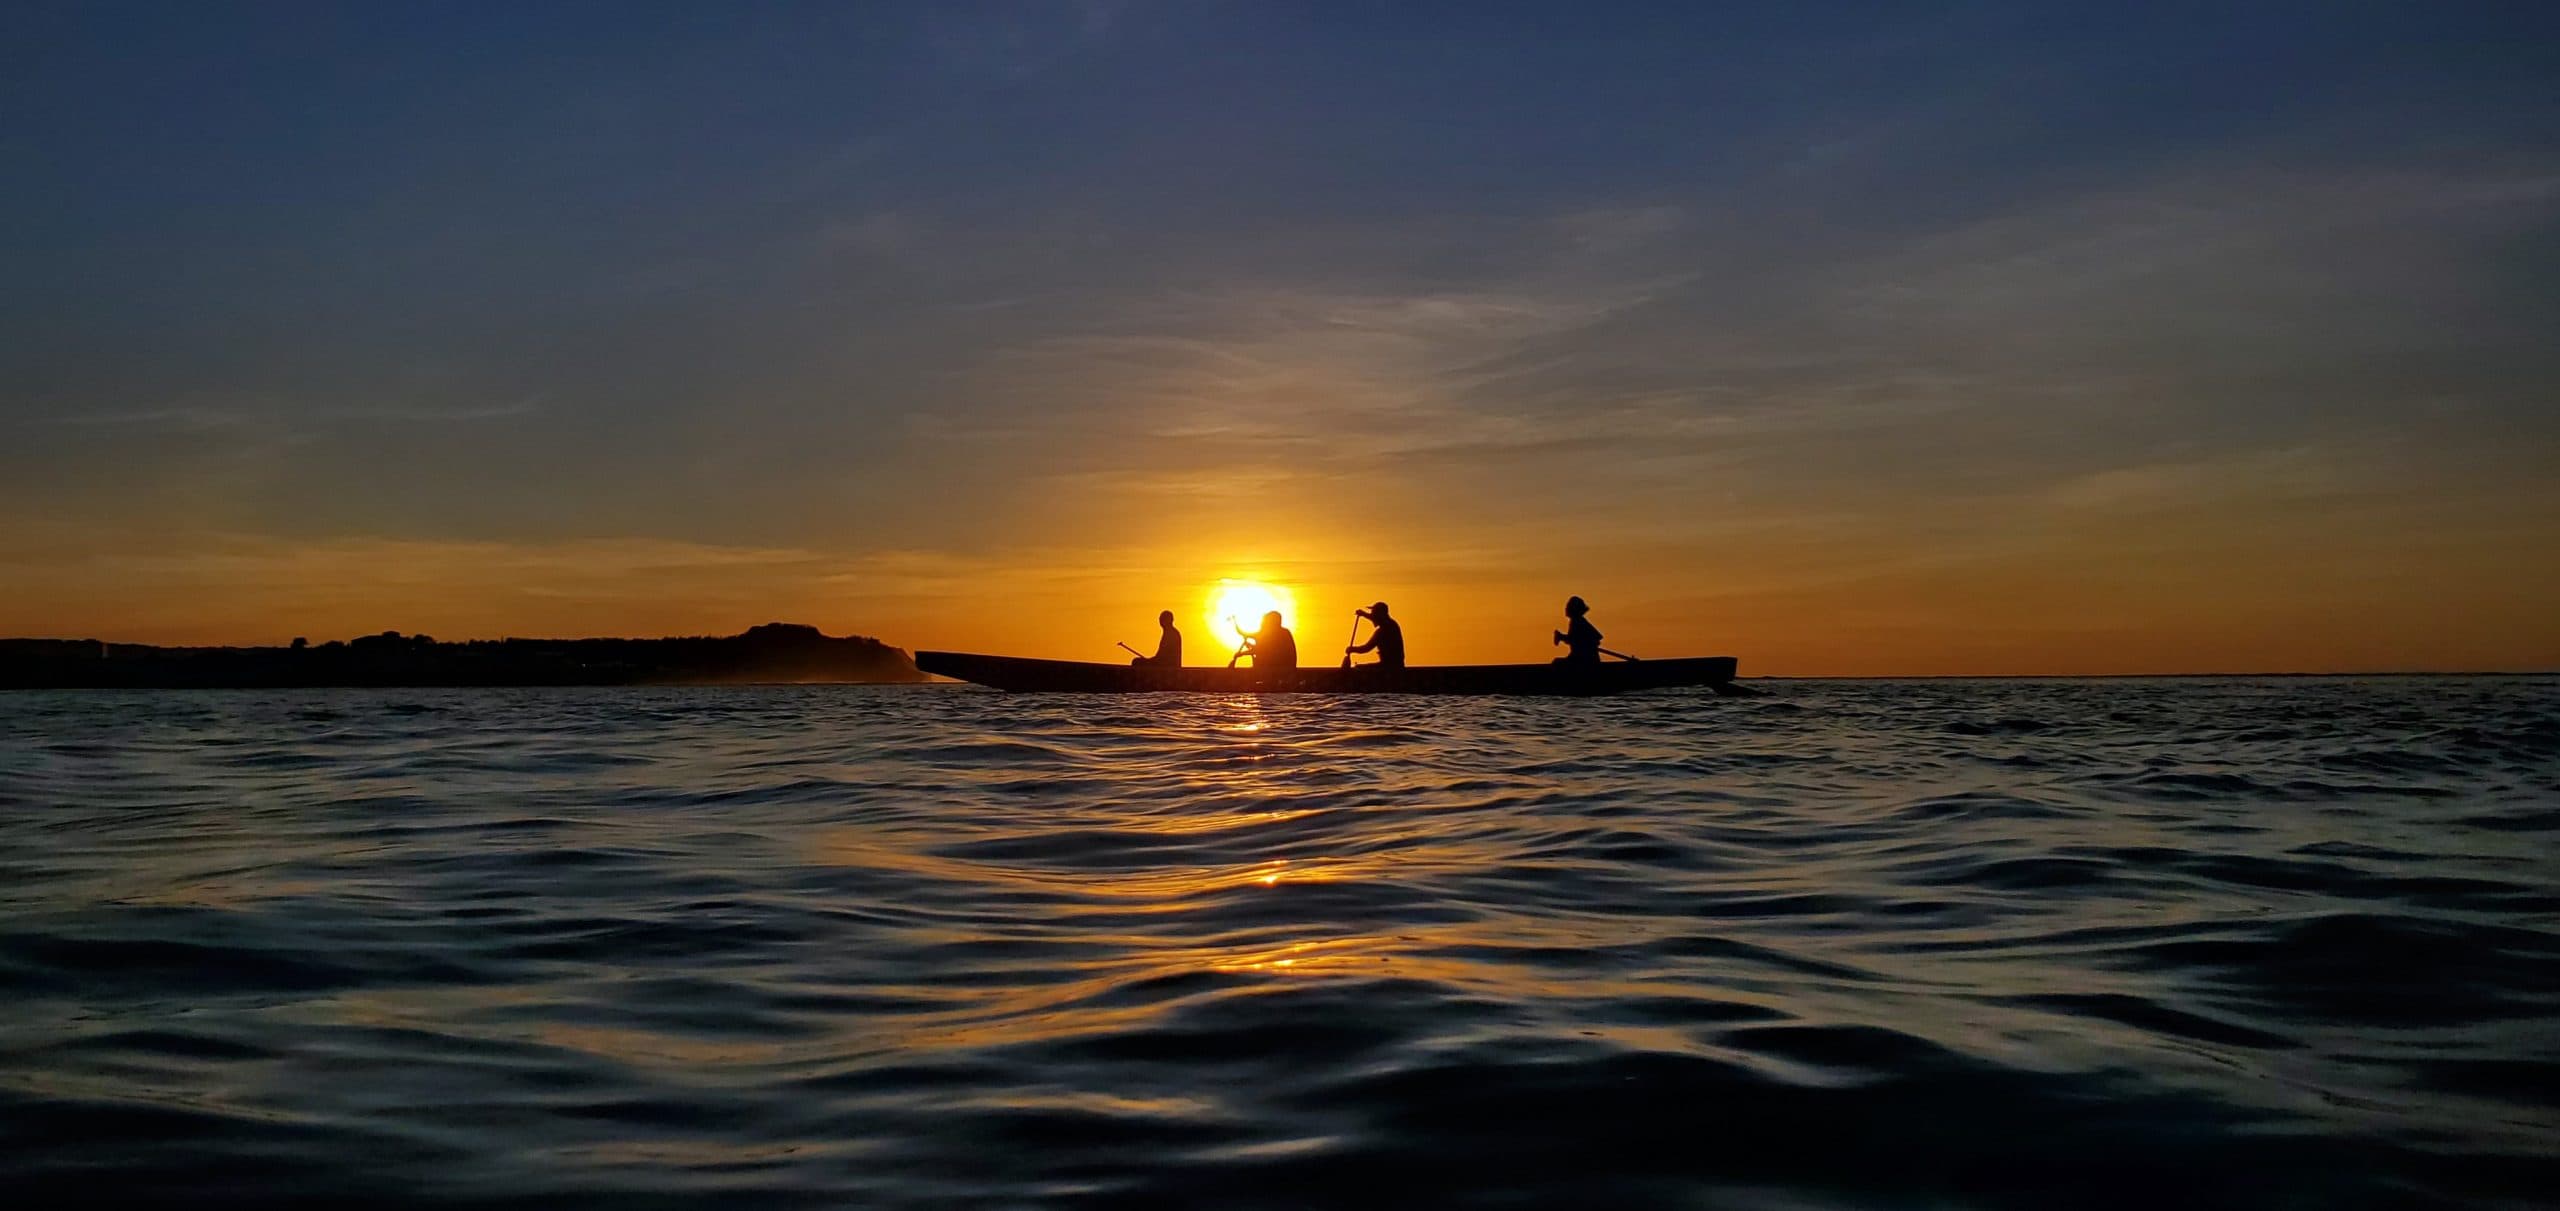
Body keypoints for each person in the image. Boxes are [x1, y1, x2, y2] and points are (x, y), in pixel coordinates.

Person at [1345, 601, 1405, 668]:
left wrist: (1352, 649)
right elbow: (1375, 618)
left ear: (1379, 615)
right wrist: (1363, 614)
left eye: (1374, 614)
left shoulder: (1383, 631)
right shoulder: (1392, 624)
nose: (1372, 619)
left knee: (1358, 668)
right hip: (1395, 664)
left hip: (1388, 666)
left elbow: (1366, 648)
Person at [1231, 610, 1297, 670]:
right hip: (1286, 667)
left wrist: (1241, 654)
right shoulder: (1284, 632)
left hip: (1276, 668)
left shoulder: (1270, 634)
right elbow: (1264, 649)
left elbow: (1261, 650)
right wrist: (1250, 647)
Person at [1553, 595, 1602, 665]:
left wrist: (1561, 637)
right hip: (1579, 657)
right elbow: (1573, 638)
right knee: (1557, 662)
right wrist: (1562, 637)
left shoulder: (1577, 621)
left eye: (1568, 606)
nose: (1566, 608)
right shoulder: (1577, 621)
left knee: (1557, 663)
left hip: (1583, 659)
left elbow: (1573, 638)